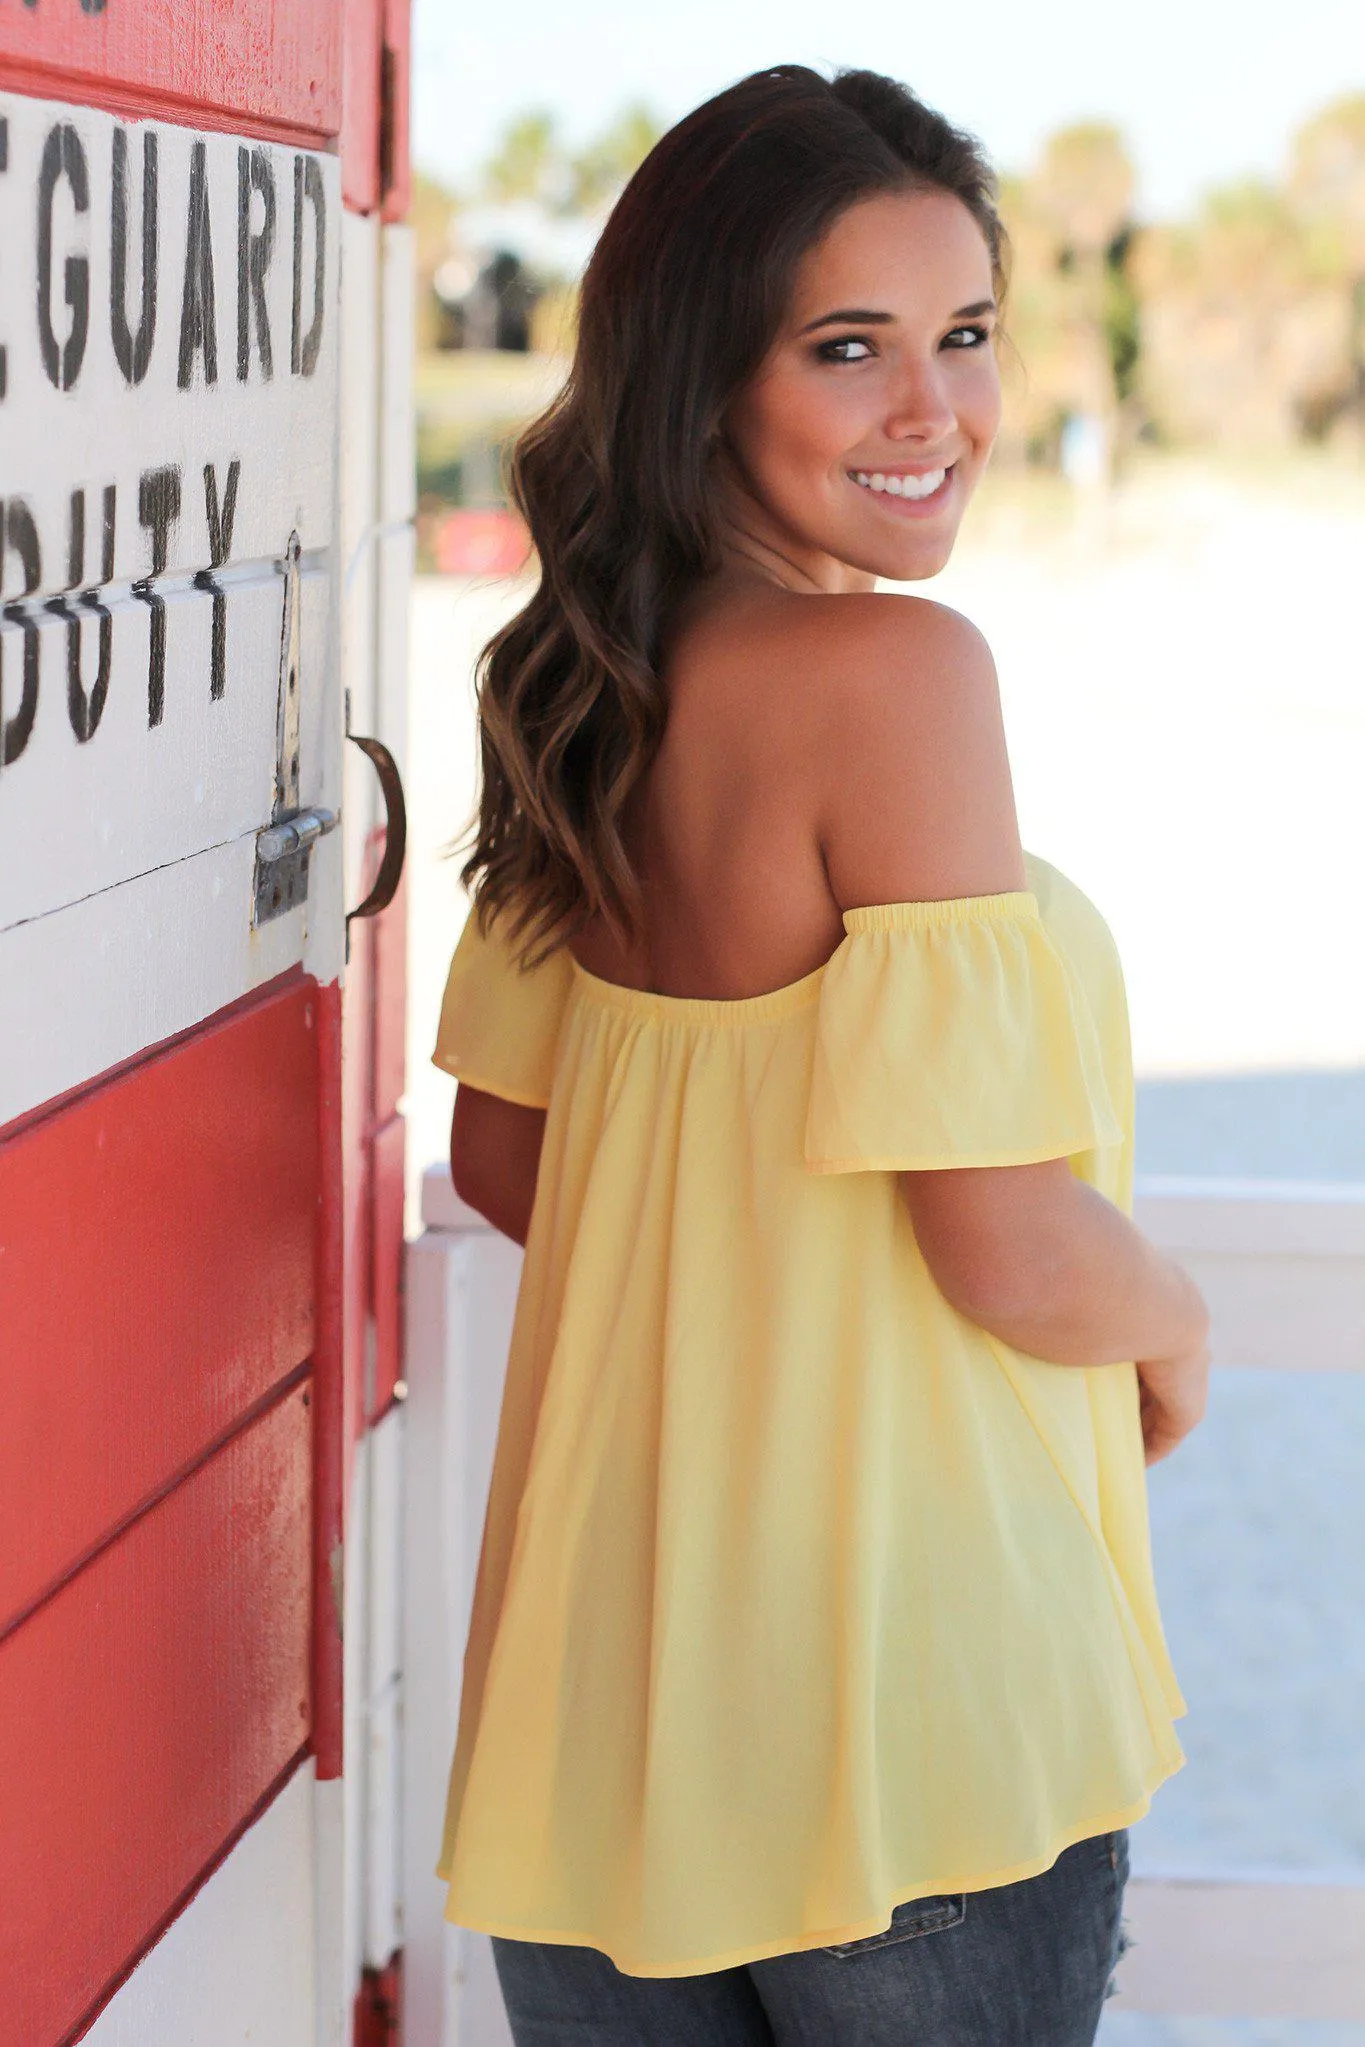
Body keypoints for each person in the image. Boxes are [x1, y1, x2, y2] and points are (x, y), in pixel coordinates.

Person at [432, 65, 1211, 2046]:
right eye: (847, 347)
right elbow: (1009, 1248)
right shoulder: (896, 675)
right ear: (704, 377)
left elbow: (506, 1171)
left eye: (961, 337)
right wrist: (1169, 1313)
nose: (930, 409)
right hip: (898, 1711)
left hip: (610, 1714)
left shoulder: (580, 686)